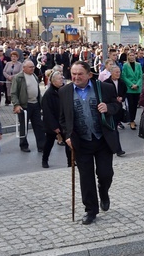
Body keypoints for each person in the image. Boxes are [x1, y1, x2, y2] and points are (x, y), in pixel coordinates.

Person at [58, 61, 121, 225]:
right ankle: (91, 210)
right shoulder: (64, 91)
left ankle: (104, 192)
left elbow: (117, 106)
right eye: (73, 74)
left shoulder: (104, 88)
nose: (76, 77)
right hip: (81, 141)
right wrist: (67, 136)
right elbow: (63, 119)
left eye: (80, 74)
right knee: (86, 178)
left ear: (89, 75)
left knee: (106, 174)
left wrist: (108, 108)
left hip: (102, 139)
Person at [11, 60, 45, 153]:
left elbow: (37, 91)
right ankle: (24, 145)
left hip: (35, 104)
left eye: (33, 67)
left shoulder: (34, 76)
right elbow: (13, 93)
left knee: (39, 126)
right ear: (24, 68)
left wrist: (42, 103)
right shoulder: (18, 78)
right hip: (24, 106)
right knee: (23, 126)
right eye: (30, 67)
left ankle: (41, 146)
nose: (32, 68)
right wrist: (16, 105)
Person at [41, 70, 72, 168]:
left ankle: (70, 162)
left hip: (64, 122)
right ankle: (44, 160)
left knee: (68, 142)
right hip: (53, 123)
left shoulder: (63, 90)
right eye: (59, 79)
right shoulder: (48, 94)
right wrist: (54, 126)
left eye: (62, 78)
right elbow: (47, 112)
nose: (62, 80)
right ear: (53, 81)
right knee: (49, 143)